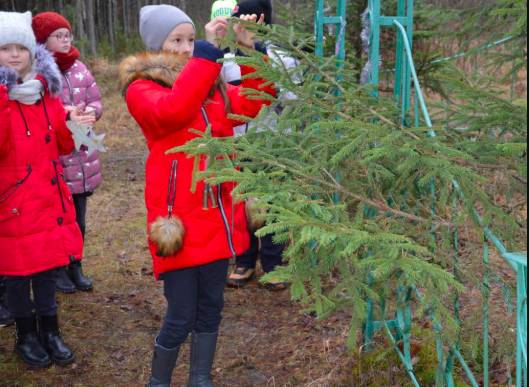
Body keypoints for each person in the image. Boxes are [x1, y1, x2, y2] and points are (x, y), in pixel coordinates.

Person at [119, 4, 275, 386]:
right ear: (157, 46)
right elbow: (174, 112)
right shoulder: (142, 89)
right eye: (178, 40)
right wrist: (208, 55)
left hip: (217, 217)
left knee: (212, 308)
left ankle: (200, 378)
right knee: (181, 314)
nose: (188, 48)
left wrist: (250, 49)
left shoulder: (211, 85)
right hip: (179, 223)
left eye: (192, 40)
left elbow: (255, 103)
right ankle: (159, 381)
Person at [0, 11, 85, 368]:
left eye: (22, 47)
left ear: (33, 53)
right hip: (14, 204)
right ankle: (26, 334)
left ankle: (50, 330)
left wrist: (73, 125)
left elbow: (63, 147)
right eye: (6, 48)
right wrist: (5, 96)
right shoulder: (4, 99)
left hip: (49, 199)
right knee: (19, 276)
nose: (15, 55)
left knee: (47, 272)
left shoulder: (45, 93)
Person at [226, 0, 301, 290]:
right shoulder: (226, 58)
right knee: (241, 202)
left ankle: (275, 263)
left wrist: (259, 58)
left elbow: (294, 99)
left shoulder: (282, 57)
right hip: (238, 142)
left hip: (273, 143)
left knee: (273, 204)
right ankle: (244, 260)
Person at [33, 11, 104, 293]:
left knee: (79, 219)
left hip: (83, 154)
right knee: (57, 219)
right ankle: (57, 269)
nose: (64, 40)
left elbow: (96, 101)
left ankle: (76, 264)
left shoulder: (80, 68)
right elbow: (40, 110)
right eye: (57, 36)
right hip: (57, 156)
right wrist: (66, 115)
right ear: (43, 40)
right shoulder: (38, 73)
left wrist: (90, 112)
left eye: (67, 35)